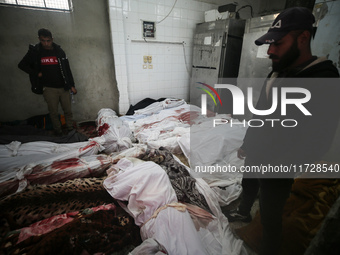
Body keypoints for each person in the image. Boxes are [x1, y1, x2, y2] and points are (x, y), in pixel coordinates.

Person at [225, 7, 340, 255]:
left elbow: (317, 141)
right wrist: (248, 141)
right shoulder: (278, 71)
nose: (270, 51)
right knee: (249, 183)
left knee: (270, 212)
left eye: (278, 43)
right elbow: (261, 111)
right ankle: (243, 211)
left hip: (279, 165)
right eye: (270, 44)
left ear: (303, 38)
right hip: (259, 151)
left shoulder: (323, 78)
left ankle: (268, 247)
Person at [18, 28, 77, 136]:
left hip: (63, 87)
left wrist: (72, 85)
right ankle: (58, 132)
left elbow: (67, 69)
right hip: (49, 88)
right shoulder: (35, 51)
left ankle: (70, 130)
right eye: (43, 40)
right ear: (39, 39)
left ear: (52, 39)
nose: (46, 43)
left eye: (48, 40)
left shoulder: (59, 51)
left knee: (68, 110)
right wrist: (36, 73)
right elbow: (22, 65)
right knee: (53, 112)